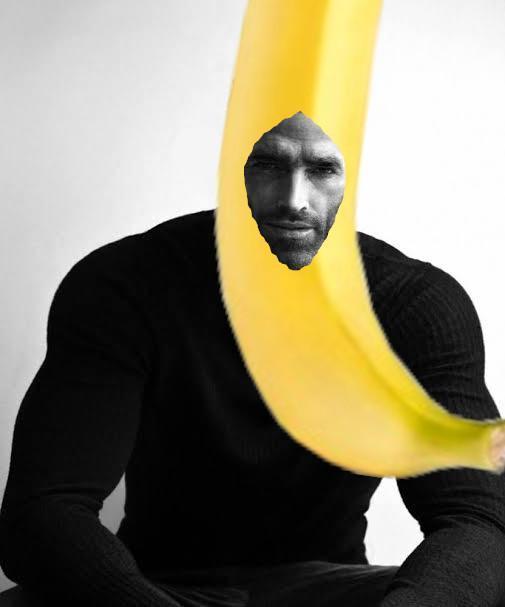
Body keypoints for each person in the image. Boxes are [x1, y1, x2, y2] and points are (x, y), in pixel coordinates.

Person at [0, 112, 504, 607]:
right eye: (268, 164)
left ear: (350, 175)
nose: (294, 199)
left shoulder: (414, 305)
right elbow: (42, 512)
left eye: (322, 169)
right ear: (231, 167)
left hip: (328, 588)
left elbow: (480, 519)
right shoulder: (125, 285)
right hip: (154, 584)